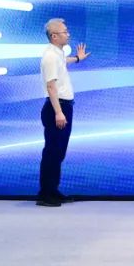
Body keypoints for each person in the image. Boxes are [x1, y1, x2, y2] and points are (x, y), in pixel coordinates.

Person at [38, 17, 89, 207]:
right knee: (52, 152)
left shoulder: (57, 53)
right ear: (54, 36)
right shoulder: (50, 56)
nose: (68, 34)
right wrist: (59, 112)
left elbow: (63, 62)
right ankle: (45, 194)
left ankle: (53, 190)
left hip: (63, 106)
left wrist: (77, 59)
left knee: (58, 152)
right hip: (57, 107)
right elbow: (51, 86)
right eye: (64, 32)